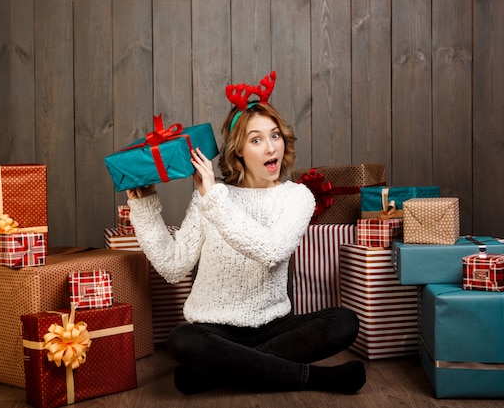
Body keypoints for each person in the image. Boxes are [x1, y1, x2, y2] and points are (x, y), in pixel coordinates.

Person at [126, 72, 365, 395]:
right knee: (182, 340)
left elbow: (271, 250)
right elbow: (173, 265)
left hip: (274, 328)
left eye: (275, 136)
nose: (271, 148)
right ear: (238, 151)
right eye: (256, 139)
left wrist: (214, 200)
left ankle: (213, 376)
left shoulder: (297, 197)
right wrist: (143, 206)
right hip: (214, 331)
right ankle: (315, 378)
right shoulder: (212, 195)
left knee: (344, 322)